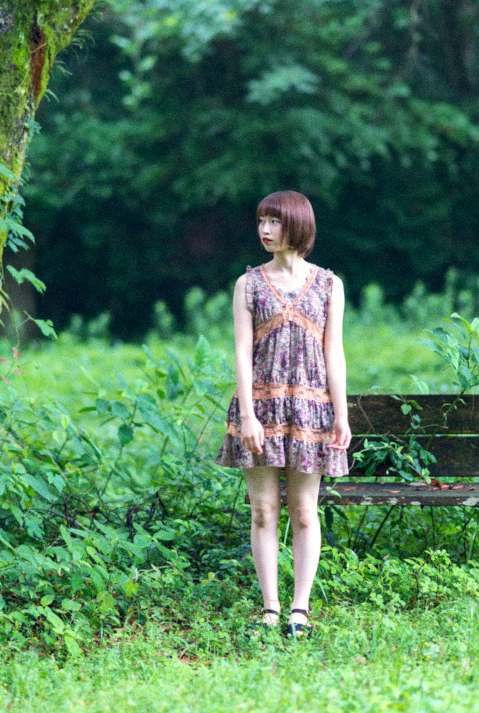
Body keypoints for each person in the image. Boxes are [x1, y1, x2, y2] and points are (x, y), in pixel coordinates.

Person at [216, 190, 351, 638]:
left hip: (311, 410)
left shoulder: (329, 284)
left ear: (298, 225)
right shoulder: (249, 284)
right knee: (263, 510)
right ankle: (270, 608)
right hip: (261, 406)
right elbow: (241, 352)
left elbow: (334, 352)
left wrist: (341, 414)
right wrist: (248, 415)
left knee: (305, 510)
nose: (265, 229)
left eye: (274, 221)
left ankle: (300, 610)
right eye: (261, 221)